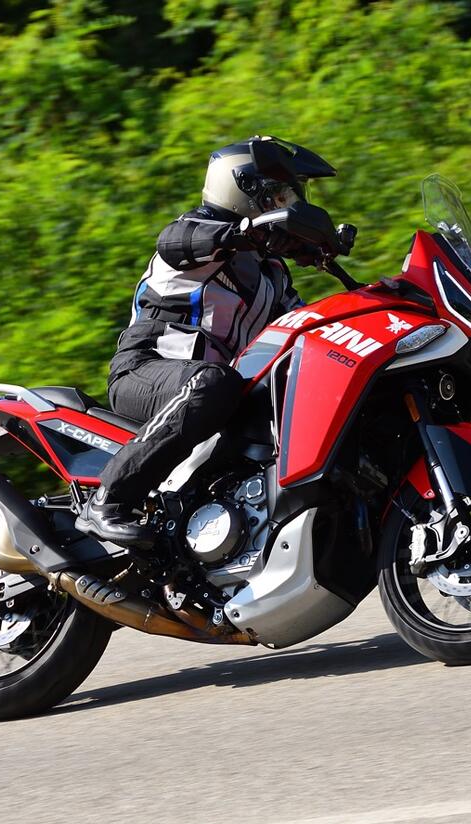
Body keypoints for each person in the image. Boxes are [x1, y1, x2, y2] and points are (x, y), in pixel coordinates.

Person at [75, 136, 339, 545]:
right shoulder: (197, 234)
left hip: (215, 394)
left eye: (292, 197)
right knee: (214, 383)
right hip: (143, 370)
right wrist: (247, 233)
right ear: (243, 190)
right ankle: (109, 500)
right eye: (280, 195)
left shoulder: (271, 274)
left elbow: (310, 325)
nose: (290, 205)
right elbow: (174, 240)